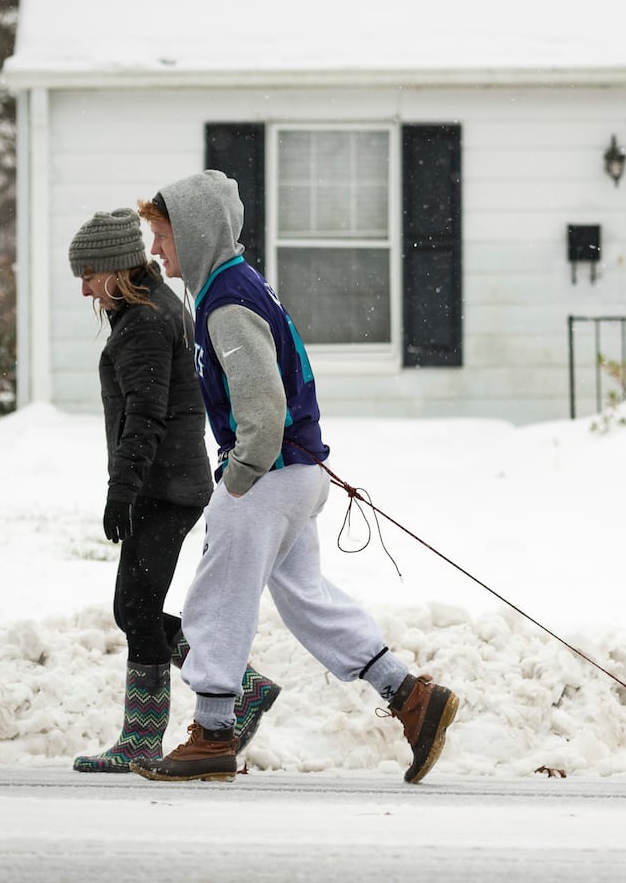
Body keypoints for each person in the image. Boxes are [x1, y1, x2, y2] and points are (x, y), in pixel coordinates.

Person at [128, 171, 459, 784]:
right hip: (294, 472)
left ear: (195, 234)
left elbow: (263, 408)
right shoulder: (238, 287)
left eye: (163, 236)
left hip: (267, 475)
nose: (155, 251)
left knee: (216, 599)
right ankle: (411, 697)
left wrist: (238, 479)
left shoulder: (226, 305)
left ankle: (213, 732)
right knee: (307, 600)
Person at [67, 208, 281, 773]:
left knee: (135, 608)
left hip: (163, 485)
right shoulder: (154, 309)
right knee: (134, 606)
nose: (84, 287)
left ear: (114, 270)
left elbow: (146, 413)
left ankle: (143, 739)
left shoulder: (144, 322)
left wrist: (123, 489)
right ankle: (244, 686)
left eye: (88, 274)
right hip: (172, 480)